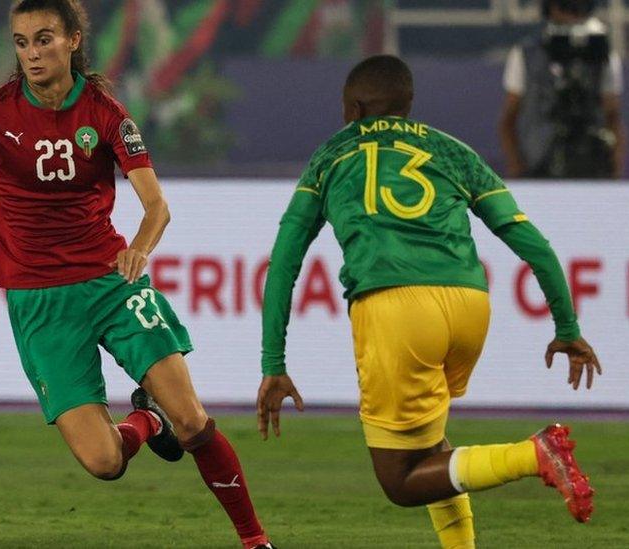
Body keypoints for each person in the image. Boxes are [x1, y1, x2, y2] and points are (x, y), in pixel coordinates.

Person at [0, 1, 274, 547]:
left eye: (43, 39)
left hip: (111, 283)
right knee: (104, 462)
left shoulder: (107, 114)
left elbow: (156, 205)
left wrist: (139, 249)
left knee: (193, 419)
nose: (31, 53)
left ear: (72, 41)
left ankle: (255, 540)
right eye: (21, 43)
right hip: (40, 302)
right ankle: (147, 423)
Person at [257, 54, 602, 548]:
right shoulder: (452, 151)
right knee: (432, 448)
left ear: (351, 107)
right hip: (469, 304)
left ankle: (534, 454)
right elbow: (533, 245)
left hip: (396, 311)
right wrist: (566, 327)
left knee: (400, 481)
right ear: (409, 104)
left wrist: (274, 362)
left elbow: (285, 262)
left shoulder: (331, 156)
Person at [500, 0, 626, 179]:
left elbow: (613, 116)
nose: (571, 14)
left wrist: (615, 171)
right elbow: (508, 121)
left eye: (578, 6)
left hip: (592, 165)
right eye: (564, 5)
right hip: (539, 162)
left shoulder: (600, 53)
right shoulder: (527, 53)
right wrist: (517, 169)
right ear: (550, 7)